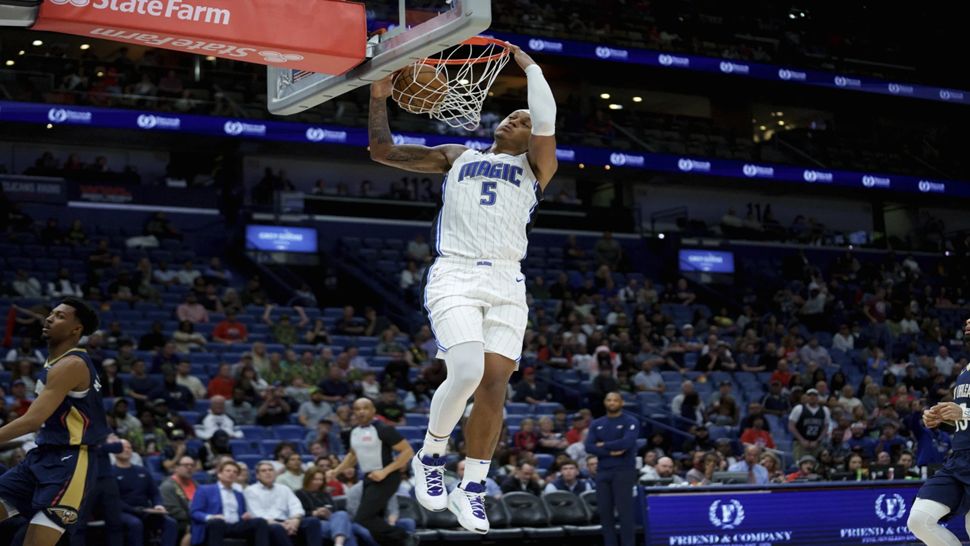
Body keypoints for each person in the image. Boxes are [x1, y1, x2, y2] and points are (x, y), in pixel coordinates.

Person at [369, 42, 557, 535]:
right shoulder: (457, 155)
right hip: (455, 272)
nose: (514, 120)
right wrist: (379, 96)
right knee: (469, 368)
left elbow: (545, 114)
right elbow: (382, 151)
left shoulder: (537, 169)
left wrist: (529, 65)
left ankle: (471, 487)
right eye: (510, 115)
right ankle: (431, 456)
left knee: (495, 385)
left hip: (507, 280)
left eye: (522, 119)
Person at [0, 298, 109, 546]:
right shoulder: (55, 363)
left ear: (76, 329)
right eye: (51, 313)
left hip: (70, 463)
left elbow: (32, 420)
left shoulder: (71, 364)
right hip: (41, 456)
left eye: (60, 316)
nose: (49, 318)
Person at [907, 318, 970, 546]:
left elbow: (965, 413)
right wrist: (940, 417)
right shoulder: (965, 370)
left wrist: (963, 413)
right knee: (919, 520)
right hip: (959, 458)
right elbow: (963, 417)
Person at [328, 398, 414, 546]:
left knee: (363, 518)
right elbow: (353, 456)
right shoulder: (354, 432)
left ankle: (405, 537)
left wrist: (384, 472)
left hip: (387, 477)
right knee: (372, 523)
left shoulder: (383, 429)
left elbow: (408, 451)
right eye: (357, 409)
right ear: (353, 412)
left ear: (373, 410)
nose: (361, 411)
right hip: (369, 478)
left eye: (365, 408)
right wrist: (336, 470)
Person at [585, 392, 639, 546]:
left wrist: (603, 445)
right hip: (603, 471)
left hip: (624, 471)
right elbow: (589, 447)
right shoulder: (597, 423)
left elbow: (627, 443)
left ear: (622, 403)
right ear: (604, 402)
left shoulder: (630, 421)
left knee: (625, 514)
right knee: (605, 515)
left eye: (615, 400)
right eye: (609, 400)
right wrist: (611, 450)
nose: (612, 403)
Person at [113, 439, 178, 546]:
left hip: (145, 511)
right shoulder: (111, 473)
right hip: (124, 511)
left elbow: (154, 493)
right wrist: (135, 510)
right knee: (135, 524)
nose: (127, 450)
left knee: (170, 523)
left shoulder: (142, 471)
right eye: (123, 447)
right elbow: (114, 500)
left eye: (129, 447)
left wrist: (158, 505)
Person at [189, 460, 270, 546]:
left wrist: (244, 517)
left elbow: (241, 515)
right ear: (219, 474)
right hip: (216, 525)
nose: (231, 474)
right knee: (217, 522)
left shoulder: (239, 494)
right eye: (228, 471)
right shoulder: (205, 490)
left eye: (235, 472)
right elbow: (195, 512)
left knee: (260, 522)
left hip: (235, 525)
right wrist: (211, 517)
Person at [244, 461, 322, 546]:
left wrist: (296, 520)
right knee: (277, 528)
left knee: (312, 521)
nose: (268, 473)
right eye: (263, 471)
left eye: (270, 470)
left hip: (288, 521)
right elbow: (256, 514)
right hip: (268, 524)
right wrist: (281, 524)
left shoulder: (284, 488)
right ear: (257, 476)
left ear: (275, 473)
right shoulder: (250, 490)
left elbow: (296, 506)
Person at [295, 468, 359, 546]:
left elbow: (335, 510)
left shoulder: (325, 493)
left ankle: (338, 543)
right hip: (315, 523)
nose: (319, 482)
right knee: (347, 528)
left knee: (342, 514)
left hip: (332, 520)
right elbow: (297, 513)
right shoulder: (299, 494)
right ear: (308, 479)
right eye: (315, 479)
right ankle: (339, 543)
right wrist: (315, 513)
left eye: (321, 479)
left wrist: (328, 514)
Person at [160, 455, 198, 546]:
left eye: (192, 465)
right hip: (178, 521)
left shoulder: (196, 485)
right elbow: (172, 511)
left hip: (195, 518)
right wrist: (197, 517)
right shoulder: (168, 486)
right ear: (176, 468)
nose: (189, 468)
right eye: (185, 465)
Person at [788, 388, 831, 461]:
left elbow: (825, 427)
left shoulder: (825, 410)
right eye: (809, 395)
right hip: (800, 443)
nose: (812, 397)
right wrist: (802, 440)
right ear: (806, 397)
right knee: (801, 464)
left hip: (816, 443)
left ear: (818, 397)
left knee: (817, 465)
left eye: (814, 395)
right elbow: (791, 426)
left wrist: (817, 441)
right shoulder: (799, 408)